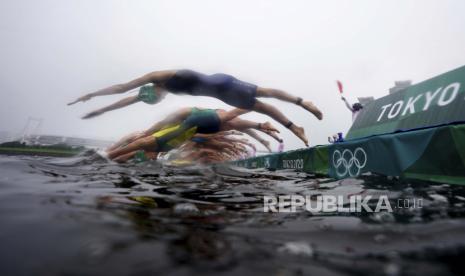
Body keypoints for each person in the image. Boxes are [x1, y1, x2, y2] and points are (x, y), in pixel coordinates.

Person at [68, 69, 323, 146]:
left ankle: (303, 104)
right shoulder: (161, 89)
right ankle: (294, 126)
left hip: (222, 84)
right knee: (261, 108)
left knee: (264, 98)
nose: (159, 99)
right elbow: (126, 96)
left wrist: (92, 93)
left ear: (154, 88)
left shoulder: (158, 76)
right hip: (221, 93)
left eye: (154, 97)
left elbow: (124, 86)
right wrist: (97, 105)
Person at [106, 107, 279, 162]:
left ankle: (109, 159)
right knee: (130, 148)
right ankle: (108, 156)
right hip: (162, 140)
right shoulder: (193, 117)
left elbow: (236, 125)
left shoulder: (204, 128)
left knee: (138, 154)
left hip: (167, 147)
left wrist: (260, 136)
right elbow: (232, 119)